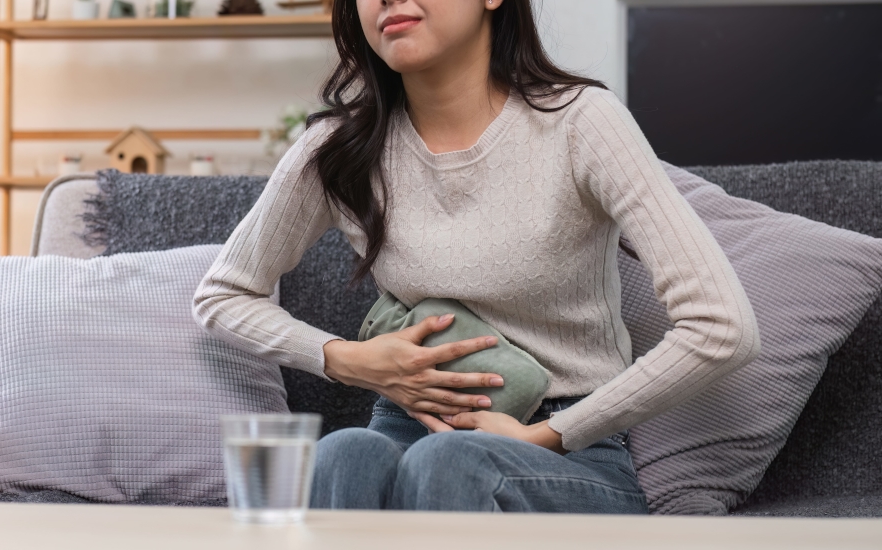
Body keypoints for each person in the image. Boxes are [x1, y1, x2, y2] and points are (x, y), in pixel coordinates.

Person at [193, 0, 761, 513]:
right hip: (405, 425)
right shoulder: (338, 149)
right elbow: (223, 294)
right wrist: (345, 359)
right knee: (343, 453)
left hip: (567, 450)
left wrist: (548, 435)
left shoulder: (582, 122)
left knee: (451, 463)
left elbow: (722, 327)